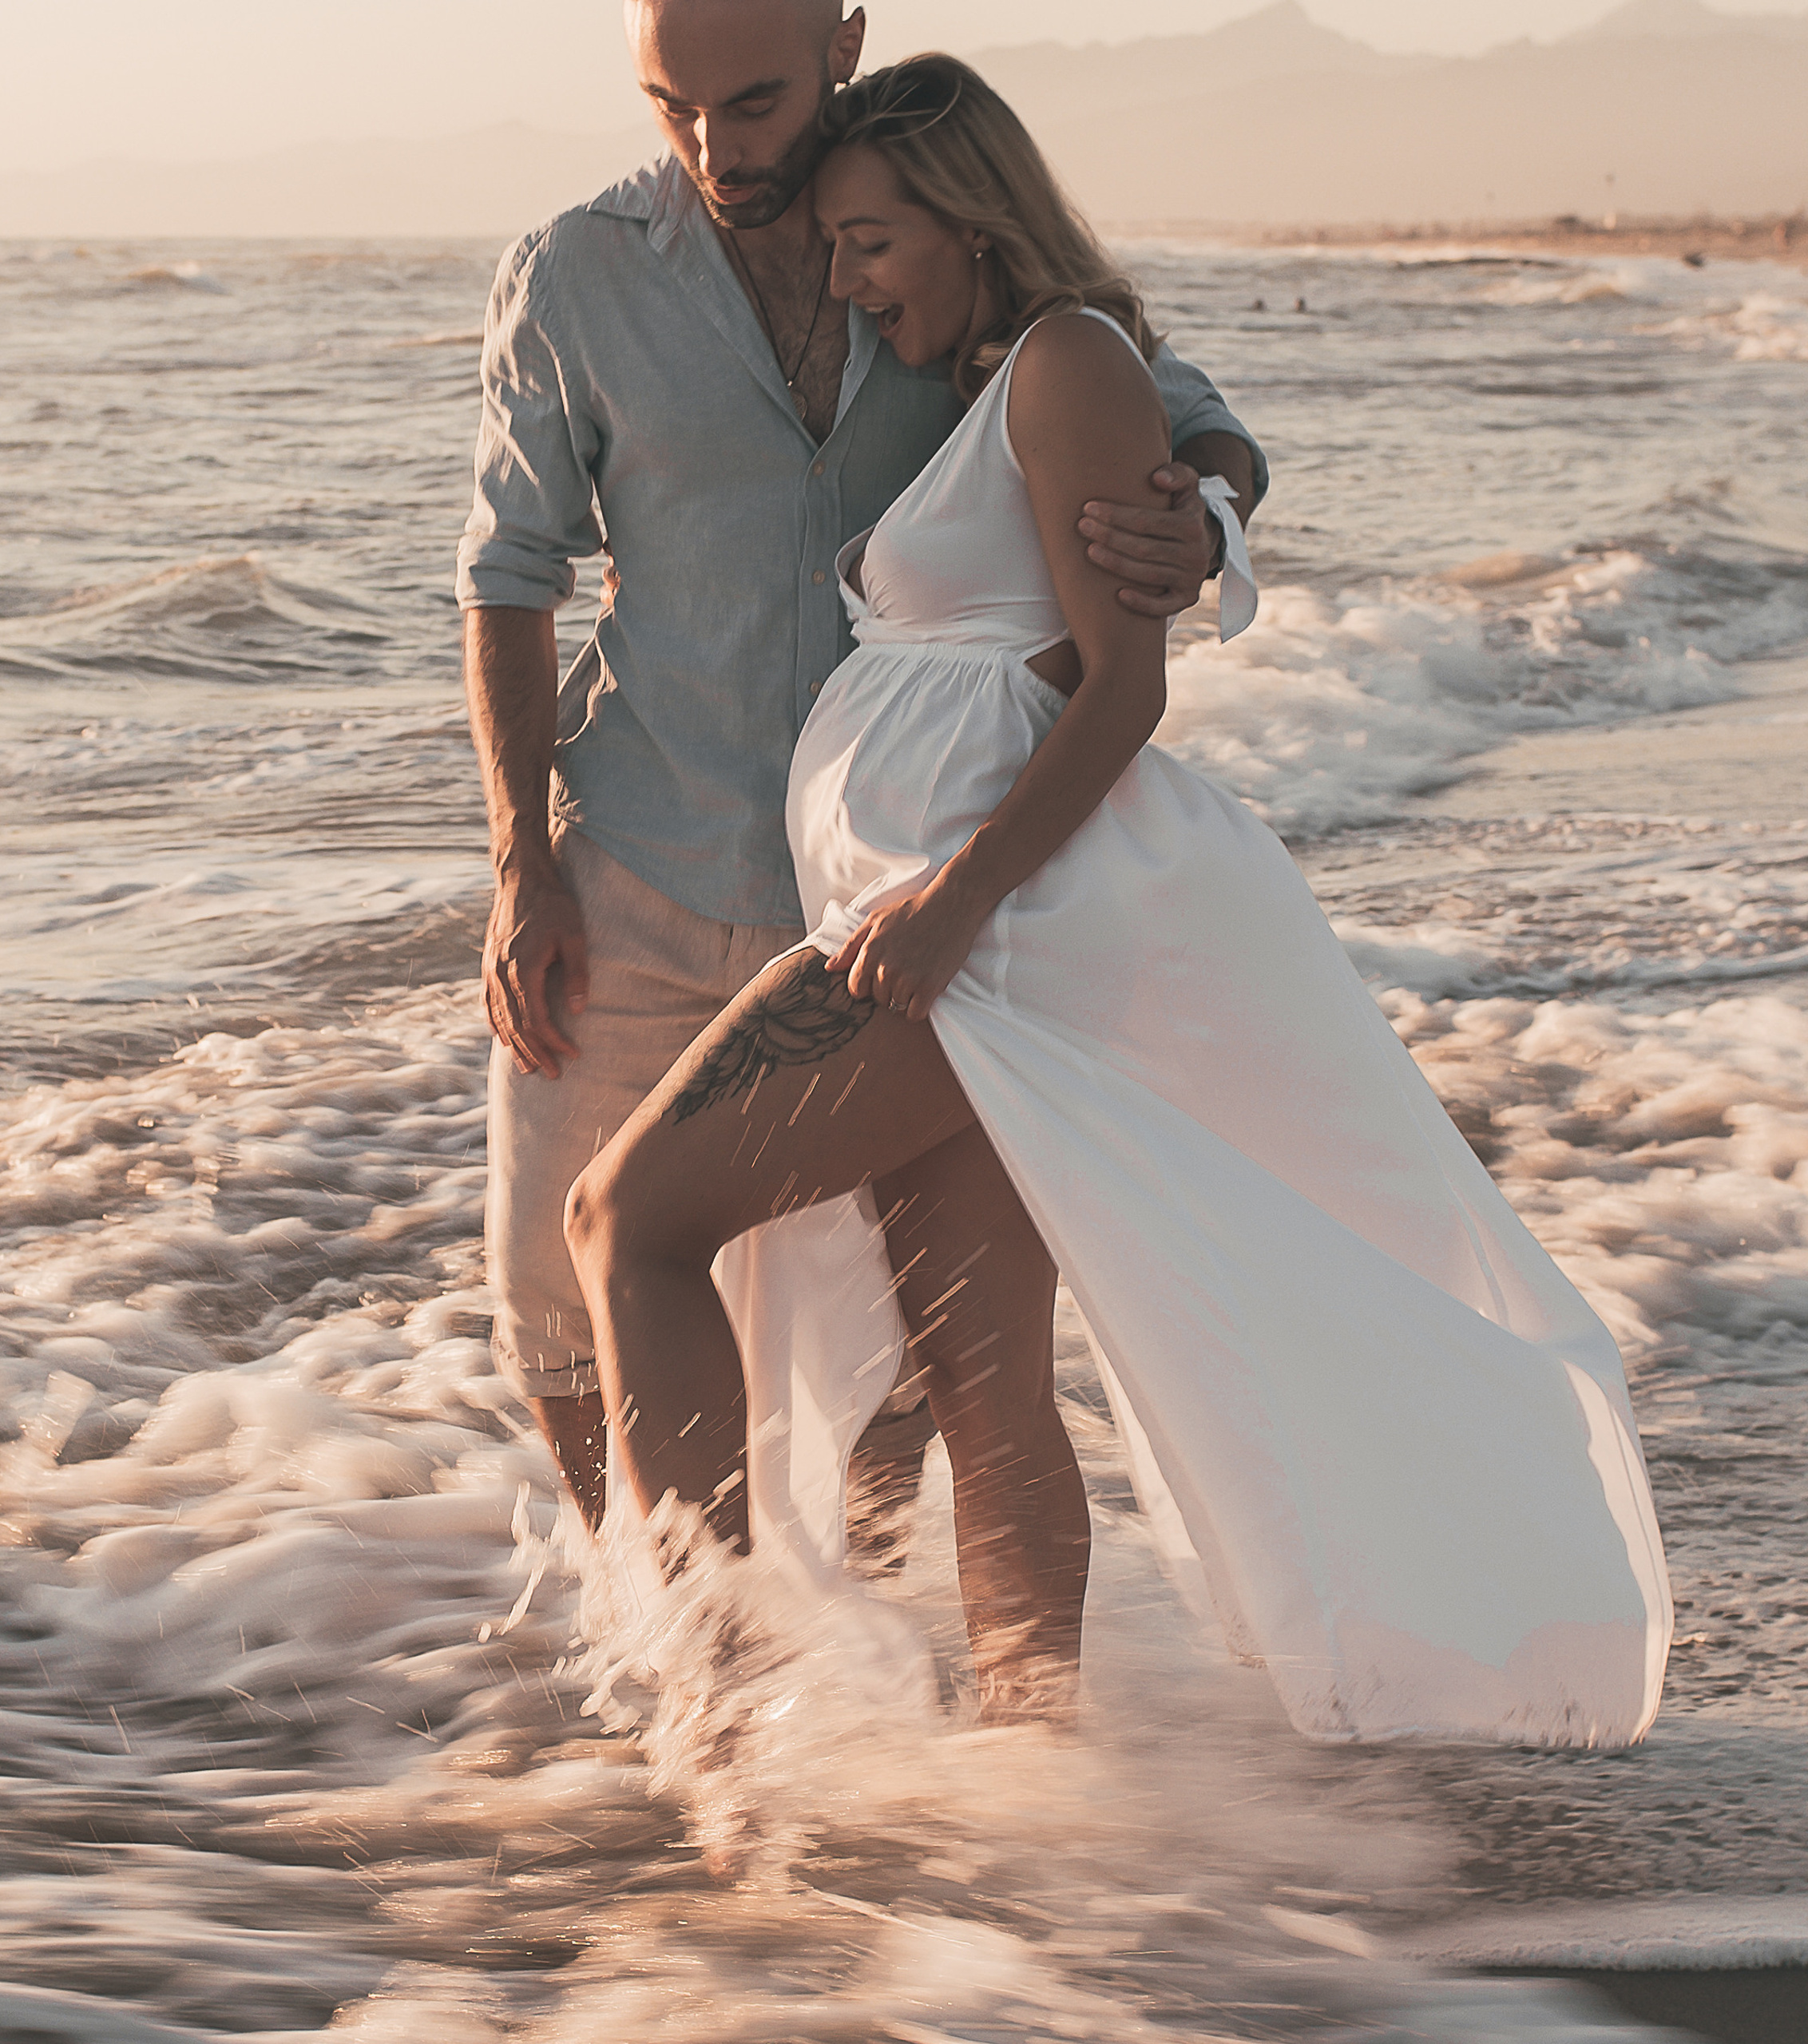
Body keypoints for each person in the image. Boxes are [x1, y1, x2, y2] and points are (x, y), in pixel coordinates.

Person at [564, 54, 1672, 1742]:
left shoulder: (1067, 360)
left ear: (963, 218)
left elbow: (1120, 691)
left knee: (625, 1223)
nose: (852, 281)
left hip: (980, 929)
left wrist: (951, 902)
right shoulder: (997, 365)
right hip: (941, 914)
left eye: (874, 242)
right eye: (841, 248)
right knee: (981, 1377)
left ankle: (711, 1715)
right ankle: (1039, 1760)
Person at [456, 0, 1266, 1532]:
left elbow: (1187, 414)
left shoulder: (940, 246)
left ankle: (840, 1701)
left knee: (895, 1358)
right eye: (668, 106)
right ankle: (682, 1660)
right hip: (634, 863)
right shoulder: (574, 276)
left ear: (844, 39)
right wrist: (521, 864)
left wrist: (1205, 520)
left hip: (881, 892)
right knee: (560, 1314)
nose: (713, 148)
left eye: (751, 101)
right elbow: (509, 577)